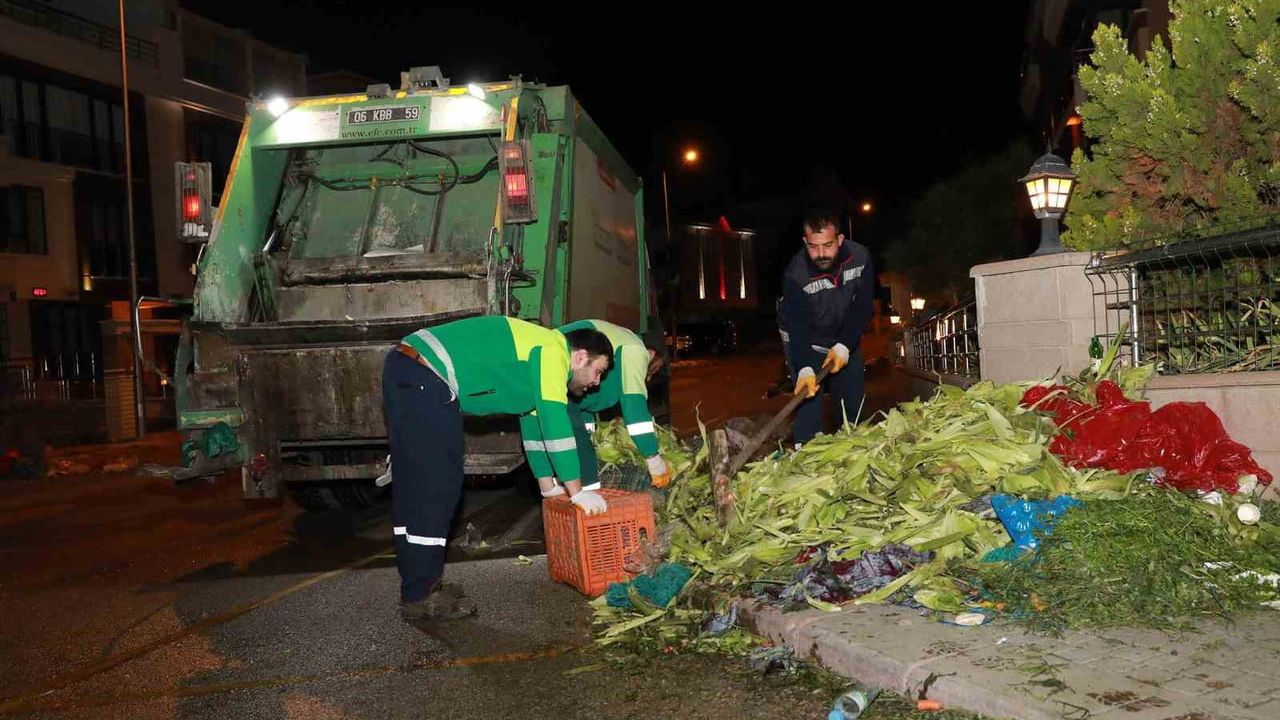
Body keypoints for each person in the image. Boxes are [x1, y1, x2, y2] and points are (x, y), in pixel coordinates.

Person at [381, 315, 614, 620]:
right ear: (580, 356)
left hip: (410, 369)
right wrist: (577, 491)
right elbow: (557, 427)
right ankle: (420, 595)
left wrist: (548, 486)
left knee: (416, 487)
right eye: (598, 371)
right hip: (425, 376)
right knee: (436, 488)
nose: (596, 383)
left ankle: (419, 585)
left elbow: (535, 429)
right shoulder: (553, 349)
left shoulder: (538, 358)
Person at [530, 319, 670, 497]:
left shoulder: (622, 341)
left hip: (551, 366)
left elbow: (584, 403)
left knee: (579, 448)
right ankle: (589, 511)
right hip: (557, 367)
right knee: (582, 456)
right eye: (653, 368)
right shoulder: (636, 350)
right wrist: (653, 457)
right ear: (651, 354)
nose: (649, 377)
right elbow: (634, 406)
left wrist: (592, 437)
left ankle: (574, 498)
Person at [779, 207, 875, 444]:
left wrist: (845, 344)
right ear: (805, 241)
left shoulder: (860, 258)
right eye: (813, 246)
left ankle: (855, 451)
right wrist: (803, 367)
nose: (821, 253)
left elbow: (862, 307)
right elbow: (798, 327)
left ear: (840, 239)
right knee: (808, 408)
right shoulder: (795, 274)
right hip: (806, 343)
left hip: (844, 339)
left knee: (852, 405)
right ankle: (806, 457)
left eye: (828, 245)